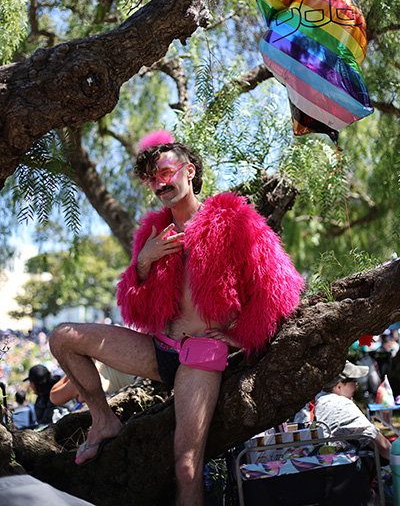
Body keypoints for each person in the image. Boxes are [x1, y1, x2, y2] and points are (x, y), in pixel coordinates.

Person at [49, 134, 304, 506]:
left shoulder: (232, 220)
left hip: (202, 357)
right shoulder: (153, 232)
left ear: (190, 171)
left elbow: (280, 290)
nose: (159, 184)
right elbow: (136, 310)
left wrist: (240, 336)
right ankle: (103, 420)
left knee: (186, 466)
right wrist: (143, 261)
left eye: (165, 172)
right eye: (152, 179)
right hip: (158, 349)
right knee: (62, 337)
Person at [314, 360, 392, 460]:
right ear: (339, 386)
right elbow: (381, 445)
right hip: (335, 467)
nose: (357, 386)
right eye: (354, 381)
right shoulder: (341, 404)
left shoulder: (317, 399)